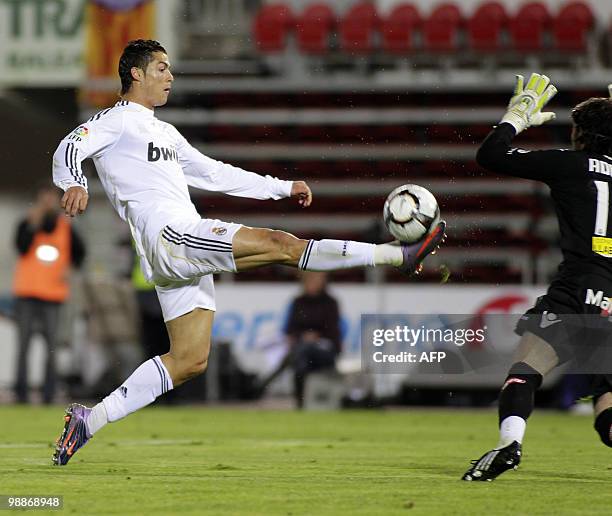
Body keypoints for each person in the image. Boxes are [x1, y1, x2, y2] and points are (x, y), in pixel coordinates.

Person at [50, 39, 445, 466]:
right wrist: (75, 182)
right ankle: (396, 257)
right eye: (161, 68)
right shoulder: (116, 120)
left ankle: (89, 419)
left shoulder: (162, 130)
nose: (170, 76)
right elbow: (69, 146)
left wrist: (279, 187)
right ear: (136, 74)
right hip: (171, 237)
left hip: (174, 255)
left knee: (189, 360)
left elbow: (213, 172)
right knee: (280, 245)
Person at [461, 73, 612, 481]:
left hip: (578, 284)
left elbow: (490, 156)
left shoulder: (570, 163)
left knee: (525, 368)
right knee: (607, 396)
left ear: (583, 134)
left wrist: (517, 116)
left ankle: (509, 444)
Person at [13, 186, 86, 404]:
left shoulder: (66, 228)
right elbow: (21, 247)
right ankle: (21, 394)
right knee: (23, 347)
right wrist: (33, 224)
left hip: (53, 296)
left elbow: (81, 253)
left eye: (51, 197)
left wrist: (71, 268)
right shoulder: (27, 223)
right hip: (27, 293)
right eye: (43, 197)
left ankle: (48, 394)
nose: (47, 202)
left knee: (51, 347)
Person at [256, 271, 341, 408]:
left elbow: (333, 330)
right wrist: (303, 336)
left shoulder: (330, 303)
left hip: (324, 347)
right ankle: (302, 400)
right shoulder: (298, 302)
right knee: (302, 355)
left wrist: (315, 336)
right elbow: (290, 329)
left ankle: (273, 387)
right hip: (302, 347)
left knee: (299, 353)